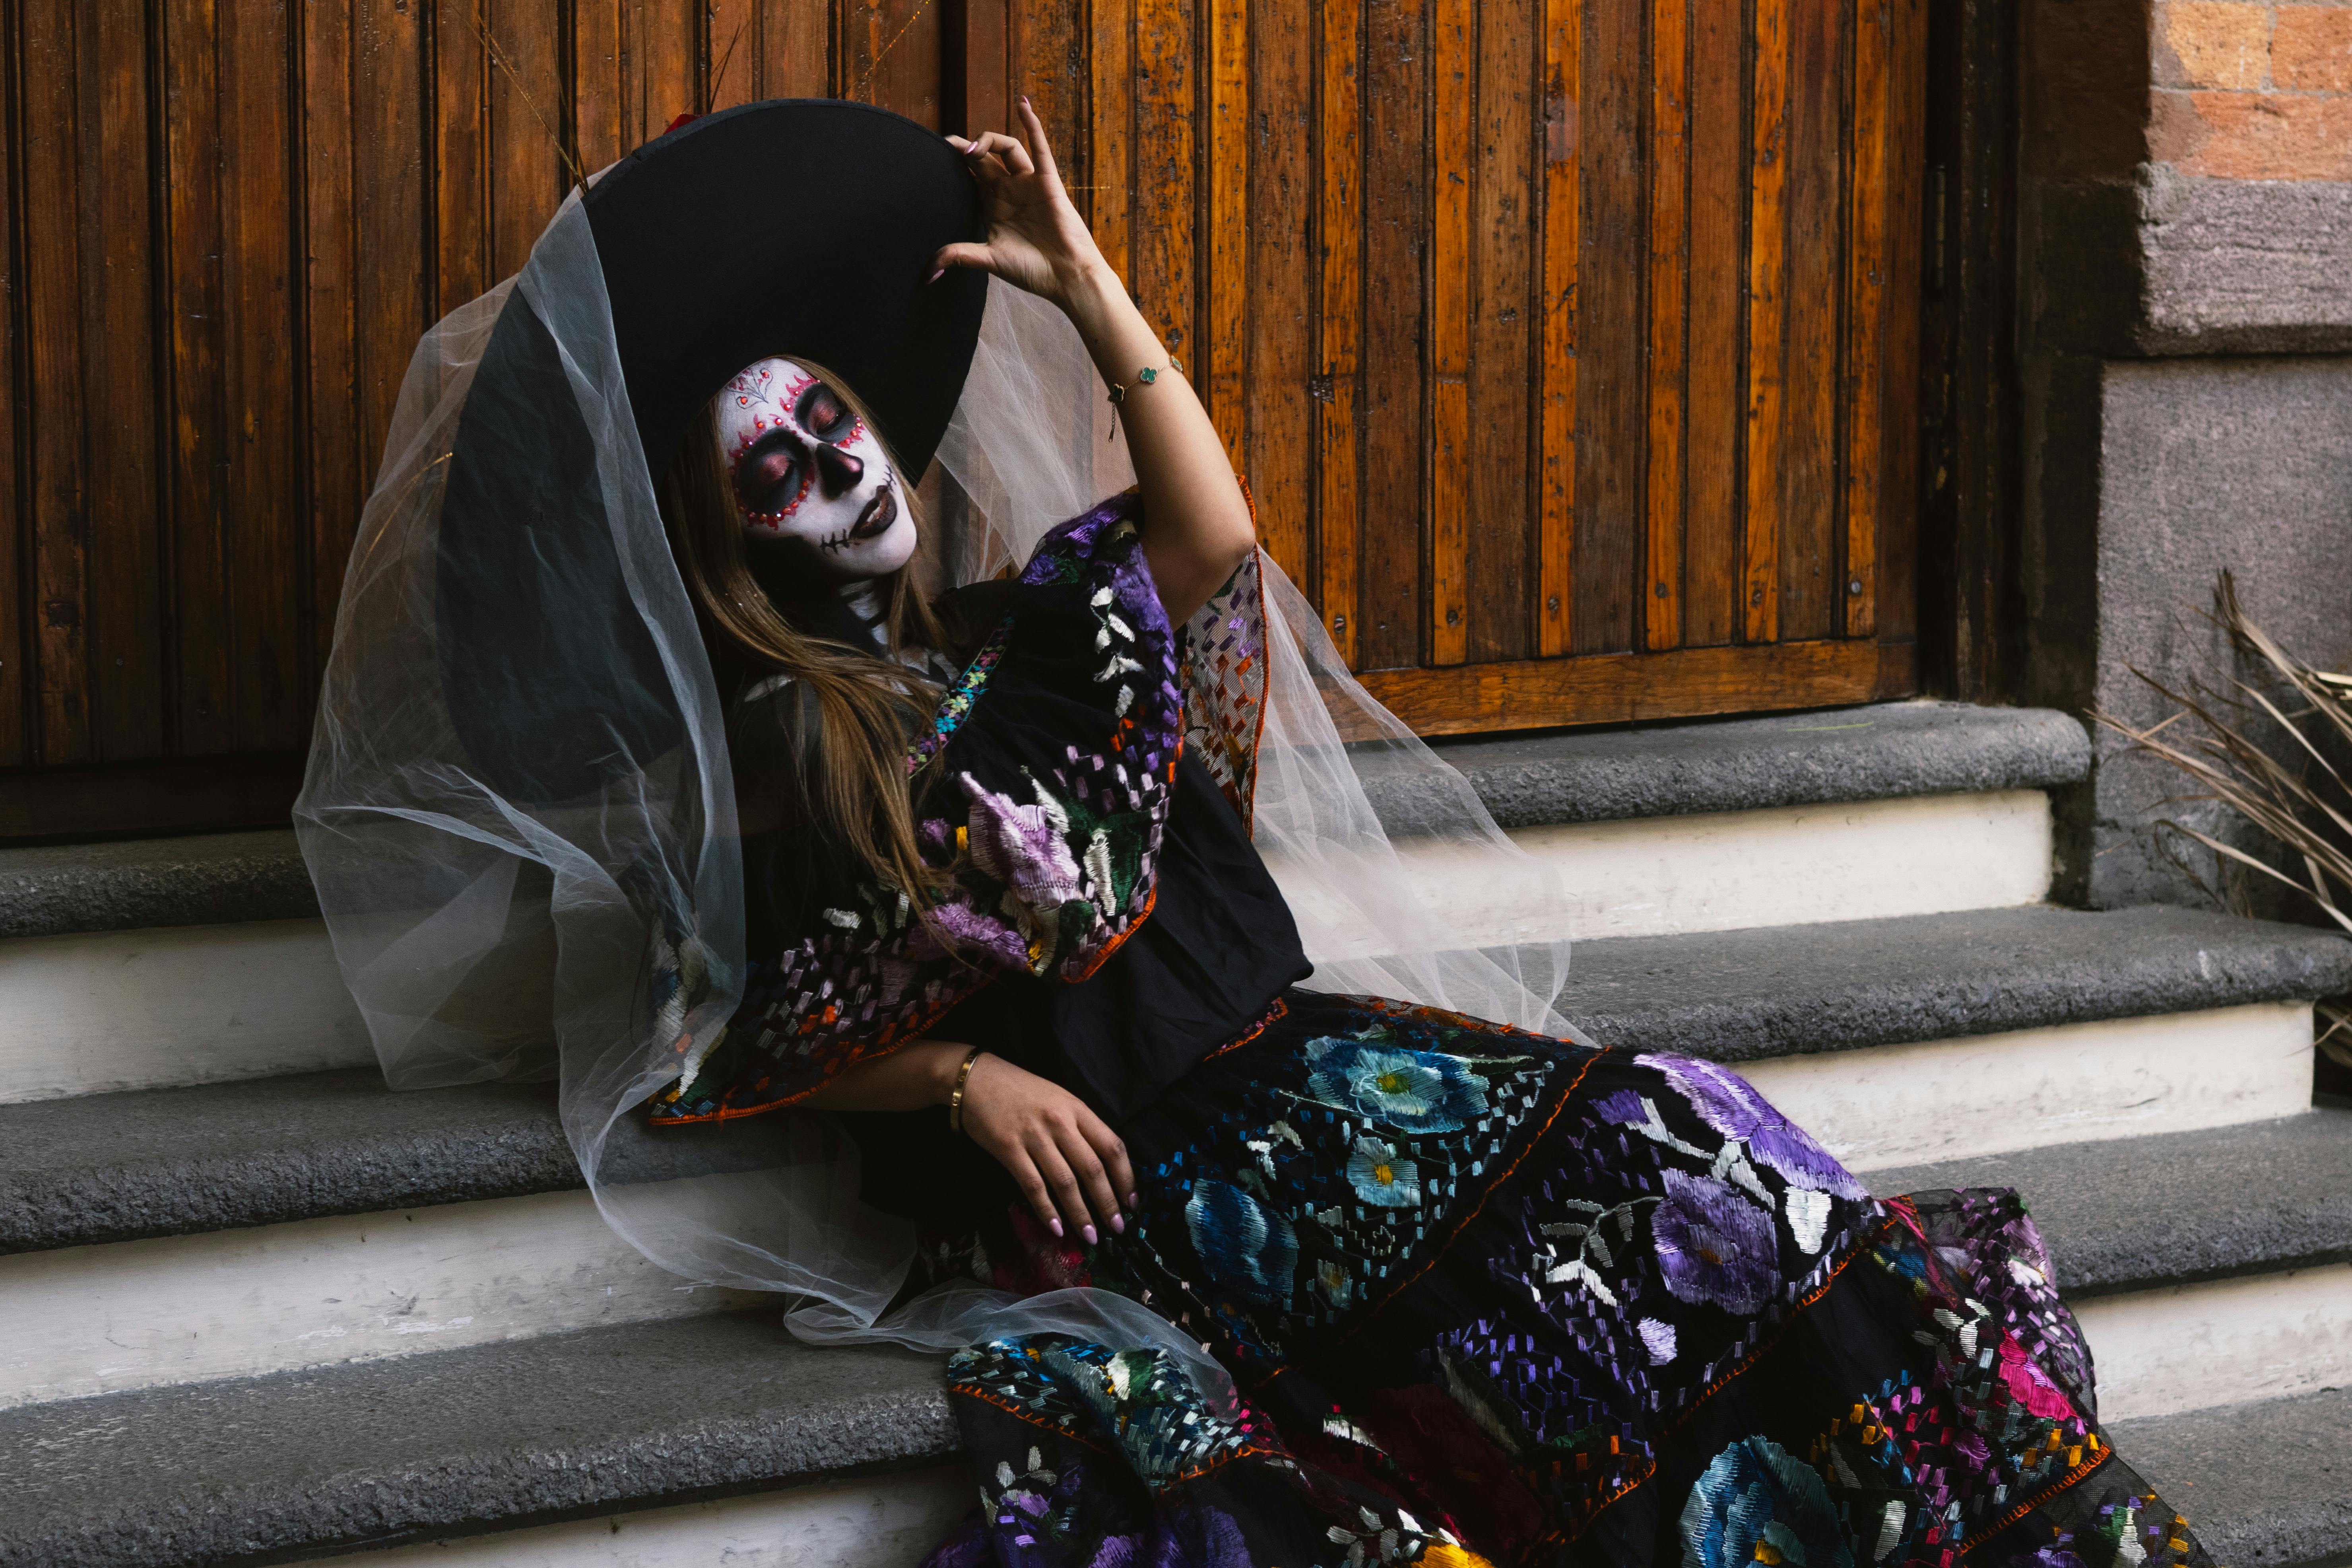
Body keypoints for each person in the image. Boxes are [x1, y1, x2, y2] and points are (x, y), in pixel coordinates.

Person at [299, 99, 2211, 1568]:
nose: (840, 470)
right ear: (737, 544)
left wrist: (1087, 289)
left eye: (837, 420)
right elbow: (720, 1028)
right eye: (776, 472)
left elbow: (1211, 542)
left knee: (1689, 1130)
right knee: (1569, 1296)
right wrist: (960, 1076)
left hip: (1315, 1067)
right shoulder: (797, 752)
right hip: (1172, 1181)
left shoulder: (1037, 633)